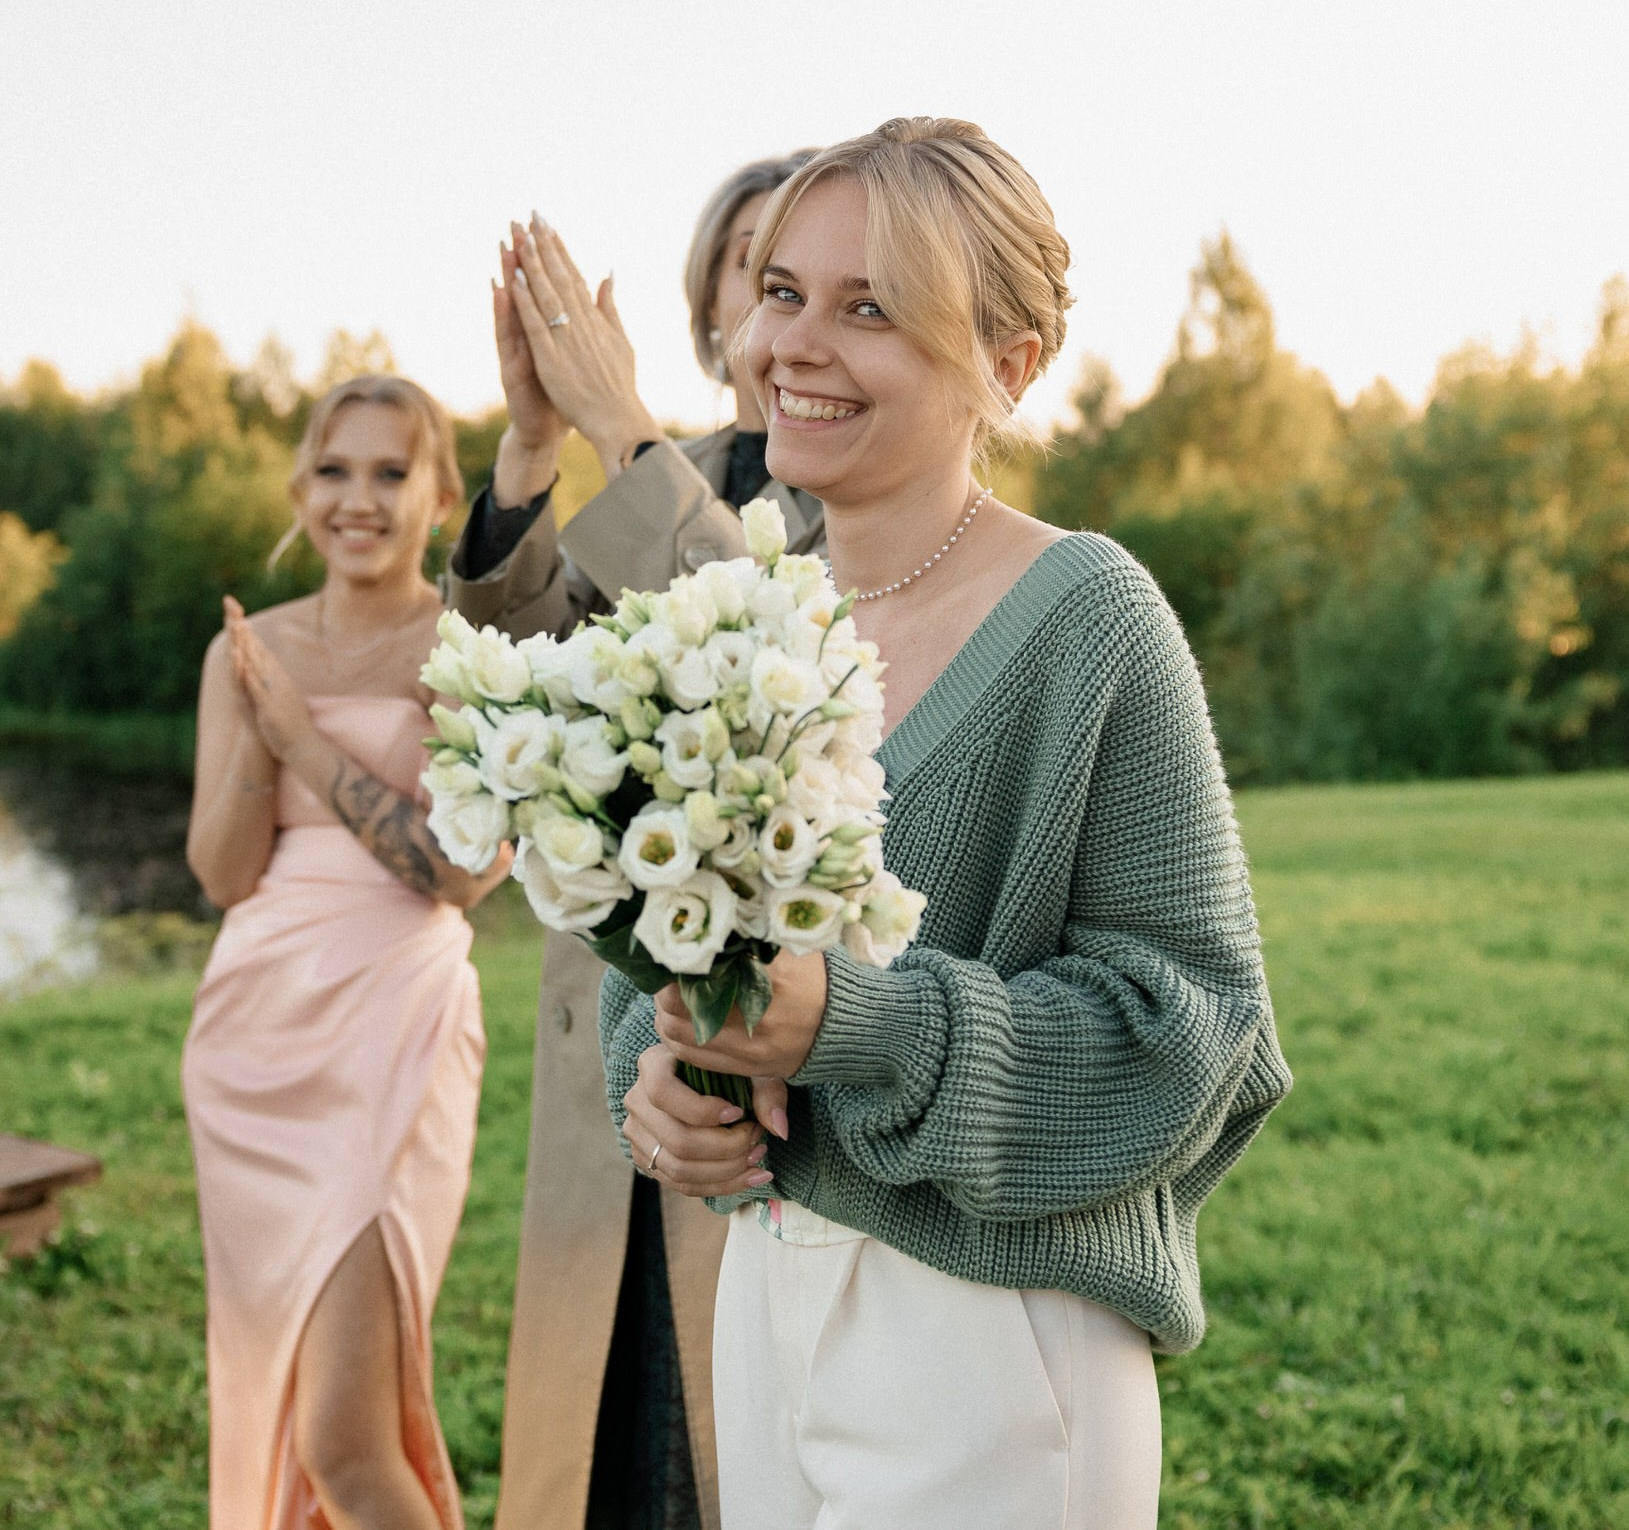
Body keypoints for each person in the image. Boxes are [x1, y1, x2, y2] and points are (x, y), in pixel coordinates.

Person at [603, 119, 1293, 1528]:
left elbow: (1199, 1035)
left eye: (871, 309)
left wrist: (853, 1023)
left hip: (993, 1333)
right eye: (784, 290)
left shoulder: (1089, 616)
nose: (794, 343)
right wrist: (657, 1078)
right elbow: (677, 957)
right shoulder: (756, 609)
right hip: (765, 1289)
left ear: (1009, 362)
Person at [445, 151, 818, 1530]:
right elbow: (506, 677)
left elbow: (764, 648)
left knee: (725, 1428)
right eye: (759, 270)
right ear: (717, 308)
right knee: (600, 1419)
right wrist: (537, 450)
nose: (788, 309)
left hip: (769, 1035)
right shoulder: (641, 474)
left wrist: (621, 425)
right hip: (617, 1001)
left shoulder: (843, 478)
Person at [183, 374, 510, 1530]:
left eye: (388, 471)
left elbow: (461, 872)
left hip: (393, 1021)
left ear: (437, 496)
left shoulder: (471, 649)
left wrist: (305, 745)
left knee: (343, 1437)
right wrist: (256, 733)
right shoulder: (248, 649)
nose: (356, 498)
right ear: (298, 488)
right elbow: (223, 872)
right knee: (277, 1403)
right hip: (252, 1038)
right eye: (333, 469)